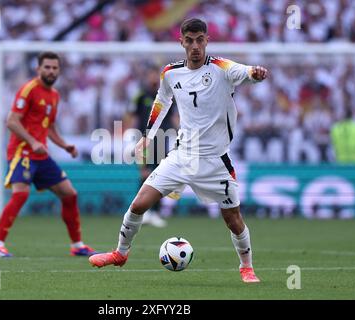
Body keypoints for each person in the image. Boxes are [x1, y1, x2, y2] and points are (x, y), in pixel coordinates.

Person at [89, 18, 267, 283]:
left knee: (233, 218)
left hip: (215, 161)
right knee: (139, 204)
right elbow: (162, 101)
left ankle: (246, 267)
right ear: (181, 41)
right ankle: (120, 254)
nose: (195, 45)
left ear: (206, 40)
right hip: (182, 155)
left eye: (200, 40)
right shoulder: (171, 73)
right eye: (190, 40)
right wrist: (148, 136)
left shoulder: (222, 68)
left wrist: (256, 73)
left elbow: (246, 72)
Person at [0, 52, 97, 257]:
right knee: (21, 194)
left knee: (70, 194)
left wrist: (65, 146)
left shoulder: (54, 95)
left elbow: (50, 126)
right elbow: (11, 121)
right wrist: (32, 141)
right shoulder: (28, 90)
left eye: (54, 68)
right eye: (47, 67)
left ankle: (77, 245)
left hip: (40, 155)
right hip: (23, 152)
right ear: (38, 69)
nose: (51, 71)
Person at [129, 65, 177, 228]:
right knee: (144, 175)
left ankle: (155, 212)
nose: (153, 78)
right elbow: (133, 118)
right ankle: (140, 212)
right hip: (144, 140)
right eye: (151, 74)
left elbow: (173, 119)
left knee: (160, 176)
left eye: (156, 74)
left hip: (162, 140)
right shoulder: (141, 95)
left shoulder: (167, 95)